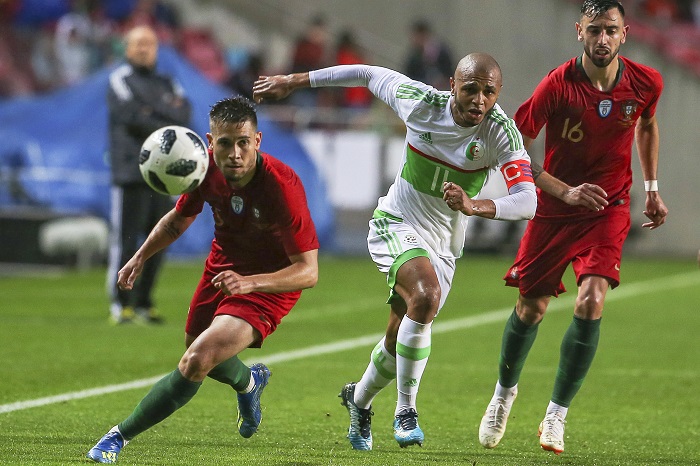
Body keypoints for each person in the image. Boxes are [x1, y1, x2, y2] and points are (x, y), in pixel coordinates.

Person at [253, 54, 538, 450]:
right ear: (453, 85)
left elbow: (528, 201)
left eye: (488, 92)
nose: (479, 99)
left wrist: (477, 207)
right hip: (397, 222)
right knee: (426, 296)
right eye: (470, 88)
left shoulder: (501, 133)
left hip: (444, 245)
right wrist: (293, 81)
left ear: (498, 93)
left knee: (397, 337)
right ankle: (406, 410)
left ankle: (359, 398)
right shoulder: (420, 102)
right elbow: (367, 73)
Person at [477, 0, 668, 455]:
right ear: (579, 31)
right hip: (555, 209)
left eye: (611, 30)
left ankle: (556, 416)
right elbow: (514, 146)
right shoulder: (558, 86)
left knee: (591, 299)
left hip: (609, 207)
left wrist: (653, 187)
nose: (602, 39)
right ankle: (504, 394)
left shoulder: (646, 82)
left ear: (625, 34)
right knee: (531, 309)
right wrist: (562, 191)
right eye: (595, 30)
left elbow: (647, 125)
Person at [86, 96, 320, 464]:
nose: (235, 153)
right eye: (225, 143)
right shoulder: (203, 169)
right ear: (210, 144)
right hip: (221, 267)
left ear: (258, 140)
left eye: (243, 142)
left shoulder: (281, 185)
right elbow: (177, 220)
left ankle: (118, 437)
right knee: (197, 349)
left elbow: (308, 271)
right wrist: (139, 257)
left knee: (196, 360)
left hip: (270, 282)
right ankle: (249, 382)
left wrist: (251, 284)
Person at [106, 25, 191, 324]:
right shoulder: (119, 79)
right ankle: (121, 303)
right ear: (126, 48)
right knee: (127, 240)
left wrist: (151, 112)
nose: (143, 48)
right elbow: (130, 117)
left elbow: (184, 114)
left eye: (149, 43)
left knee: (159, 240)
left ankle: (144, 302)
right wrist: (163, 113)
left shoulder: (168, 81)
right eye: (137, 43)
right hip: (130, 170)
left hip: (163, 174)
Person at [403, 19, 455, 91]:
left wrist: (443, 81)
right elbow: (409, 76)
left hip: (443, 90)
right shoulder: (413, 57)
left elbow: (450, 70)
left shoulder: (442, 51)